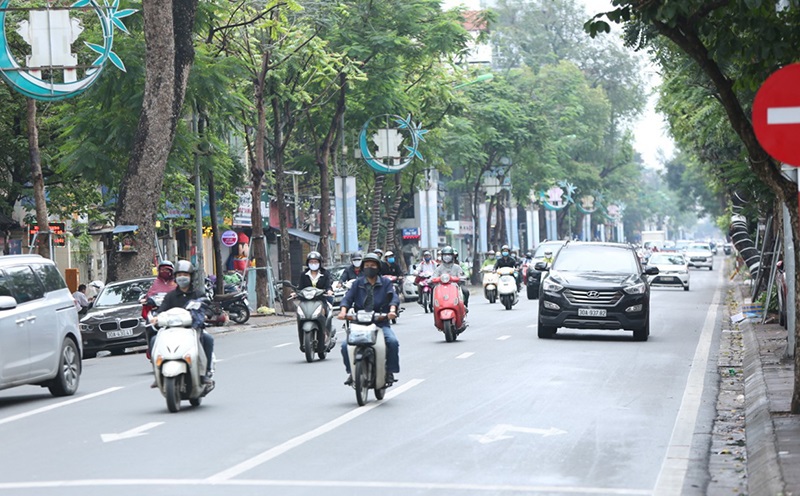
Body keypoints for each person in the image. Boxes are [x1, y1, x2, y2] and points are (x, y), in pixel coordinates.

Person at [337, 253, 400, 385]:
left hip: (380, 323)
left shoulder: (385, 282)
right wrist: (343, 312)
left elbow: (393, 297)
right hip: (359, 324)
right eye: (366, 265)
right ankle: (352, 373)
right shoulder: (357, 283)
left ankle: (389, 371)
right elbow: (347, 299)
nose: (369, 268)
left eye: (372, 265)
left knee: (392, 342)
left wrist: (392, 311)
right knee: (344, 346)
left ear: (378, 267)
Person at [150, 260, 214, 386]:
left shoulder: (198, 294)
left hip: (193, 330)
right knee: (153, 340)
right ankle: (158, 373)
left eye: (185, 275)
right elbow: (161, 310)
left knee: (207, 339)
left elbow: (209, 308)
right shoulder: (170, 296)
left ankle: (204, 373)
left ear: (191, 277)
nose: (182, 278)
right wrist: (156, 317)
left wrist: (206, 315)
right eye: (179, 275)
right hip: (172, 331)